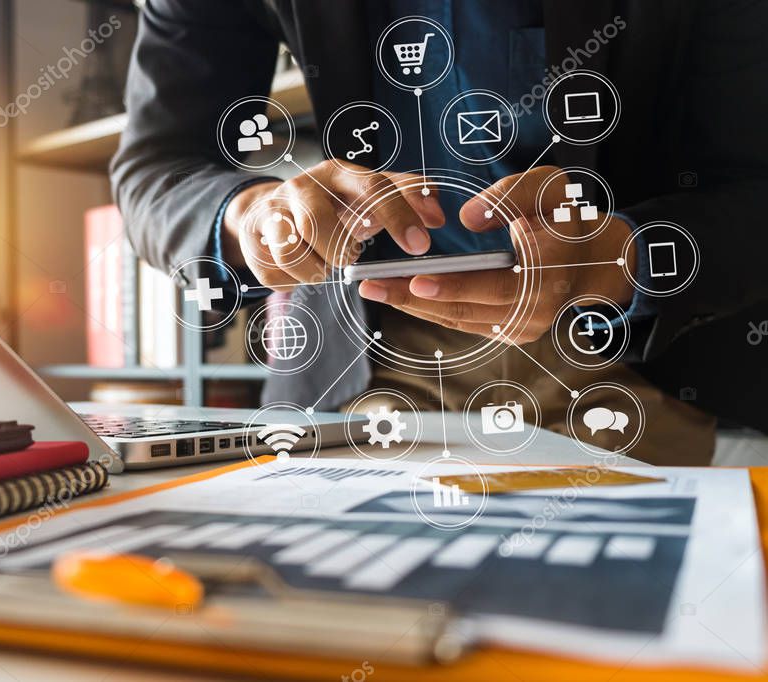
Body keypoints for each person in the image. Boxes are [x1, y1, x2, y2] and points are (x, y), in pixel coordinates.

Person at [111, 0, 768, 464]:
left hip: (628, 353)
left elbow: (751, 182)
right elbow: (156, 168)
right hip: (362, 359)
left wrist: (625, 256)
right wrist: (250, 215)